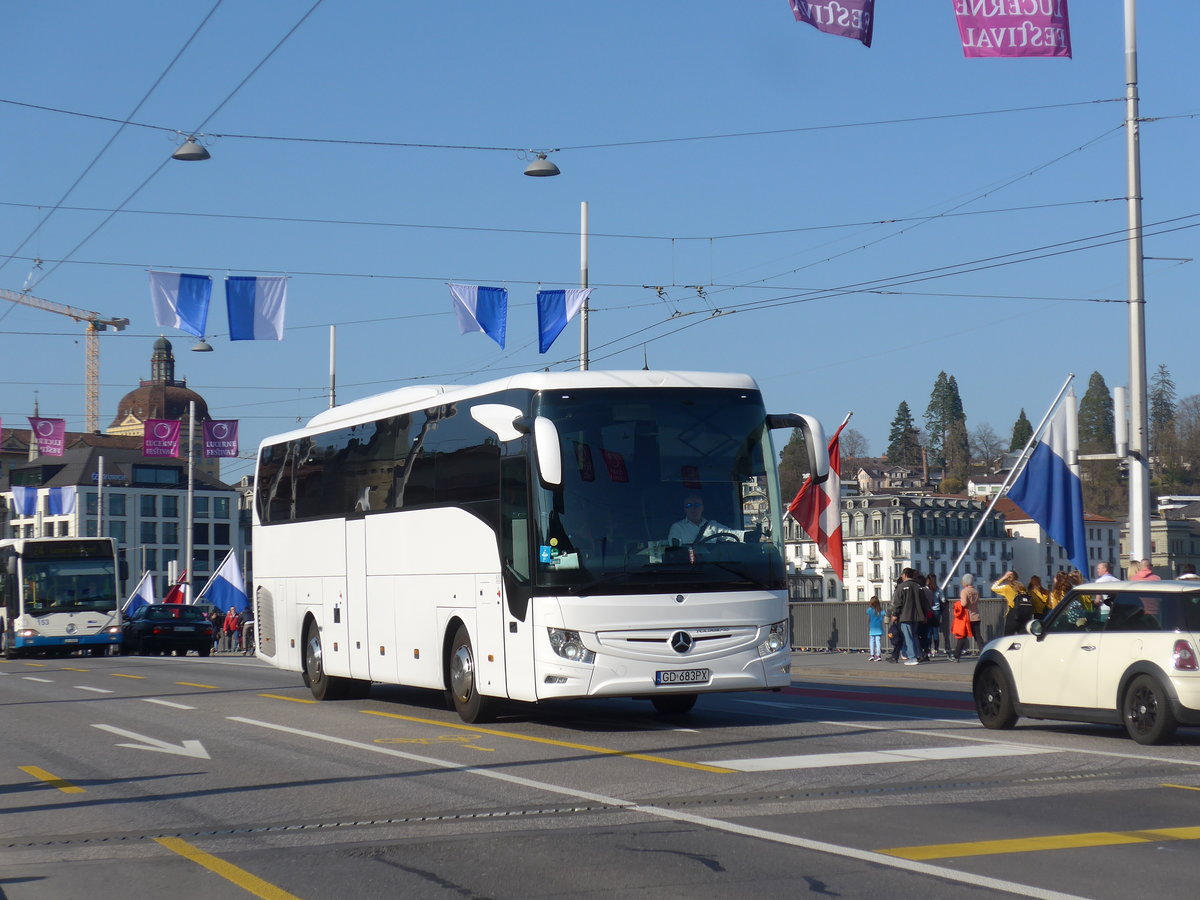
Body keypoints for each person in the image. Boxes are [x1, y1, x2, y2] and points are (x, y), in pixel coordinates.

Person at [889, 567, 929, 666]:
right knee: (915, 636)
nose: (902, 576)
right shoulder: (918, 587)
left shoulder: (901, 586)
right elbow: (924, 602)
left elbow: (898, 603)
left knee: (908, 637)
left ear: (905, 575)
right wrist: (924, 615)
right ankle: (918, 654)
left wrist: (895, 614)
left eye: (902, 575)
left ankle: (912, 657)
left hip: (905, 615)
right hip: (917, 616)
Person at [667, 494, 739, 546]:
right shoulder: (677, 527)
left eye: (697, 505)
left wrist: (745, 535)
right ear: (685, 509)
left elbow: (733, 534)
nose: (693, 508)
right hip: (688, 563)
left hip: (713, 562)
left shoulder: (713, 525)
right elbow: (675, 551)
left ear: (702, 508)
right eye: (689, 505)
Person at [950, 573, 981, 661]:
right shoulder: (976, 591)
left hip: (967, 618)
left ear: (965, 582)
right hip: (976, 616)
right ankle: (984, 652)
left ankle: (956, 655)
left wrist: (957, 604)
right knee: (978, 636)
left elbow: (963, 604)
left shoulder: (964, 591)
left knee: (962, 636)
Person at [993, 570, 1031, 636]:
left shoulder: (1007, 588)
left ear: (1007, 578)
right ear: (1017, 577)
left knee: (1008, 636)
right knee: (1023, 636)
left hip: (1013, 613)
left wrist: (1003, 578)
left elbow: (993, 588)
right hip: (1024, 614)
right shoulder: (1022, 587)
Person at [924, 573, 943, 657]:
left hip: (928, 611)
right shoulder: (938, 589)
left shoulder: (926, 589)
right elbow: (943, 599)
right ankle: (936, 649)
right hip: (937, 611)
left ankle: (928, 649)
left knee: (928, 631)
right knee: (935, 631)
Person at [866, 595, 885, 662]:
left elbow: (868, 619)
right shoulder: (881, 610)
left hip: (872, 628)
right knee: (878, 641)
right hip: (879, 628)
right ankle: (878, 655)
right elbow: (884, 616)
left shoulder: (869, 610)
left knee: (871, 641)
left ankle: (872, 655)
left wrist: (869, 624)